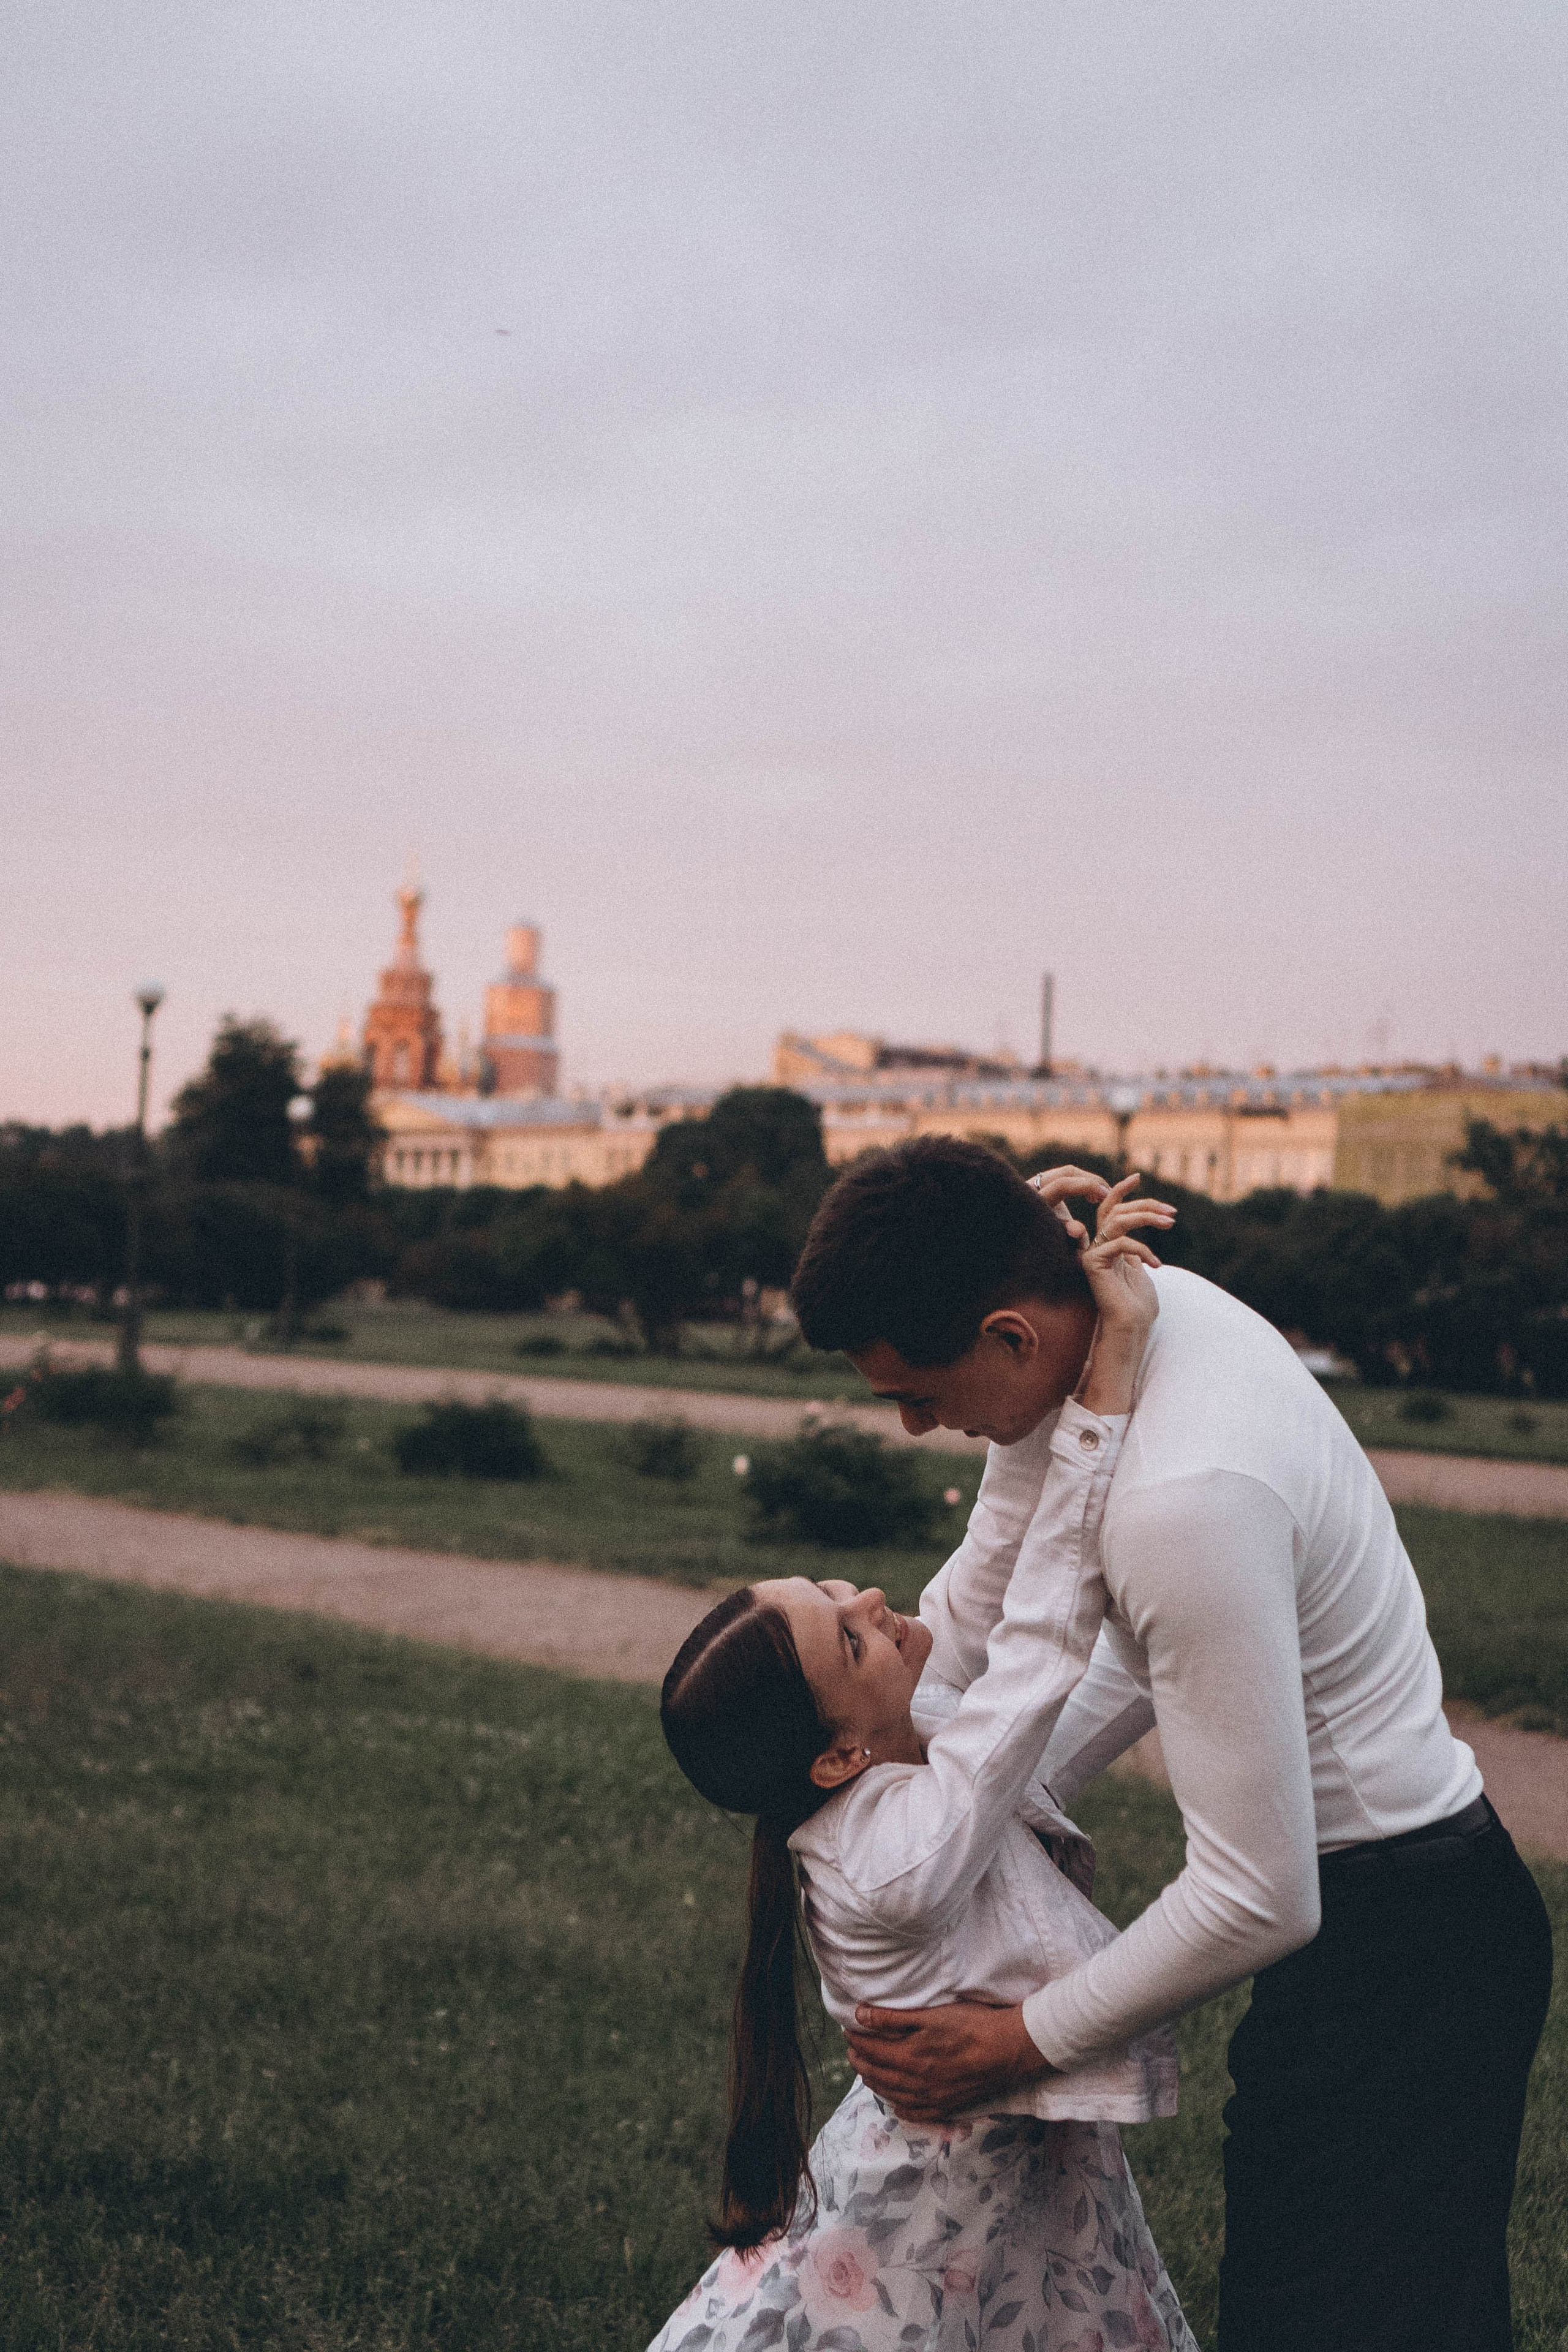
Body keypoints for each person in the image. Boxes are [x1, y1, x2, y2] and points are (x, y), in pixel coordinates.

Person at [790, 1136, 1553, 2352]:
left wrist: (1011, 2042)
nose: (909, 1426)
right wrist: (947, 1799)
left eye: (918, 1394)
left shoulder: (1179, 1502)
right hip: (1408, 1925)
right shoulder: (1133, 1317)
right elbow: (1039, 1629)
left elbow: (1258, 1896)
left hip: (1402, 1948)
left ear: (1009, 1337)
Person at [647, 1193, 1199, 2352]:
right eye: (845, 1636)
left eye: (829, 1588)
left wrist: (999, 1274)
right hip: (938, 2224)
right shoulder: (891, 1854)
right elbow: (1040, 1645)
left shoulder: (903, 1734)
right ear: (840, 1750)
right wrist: (1100, 1399)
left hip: (1018, 2183)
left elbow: (994, 1558)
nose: (865, 1600)